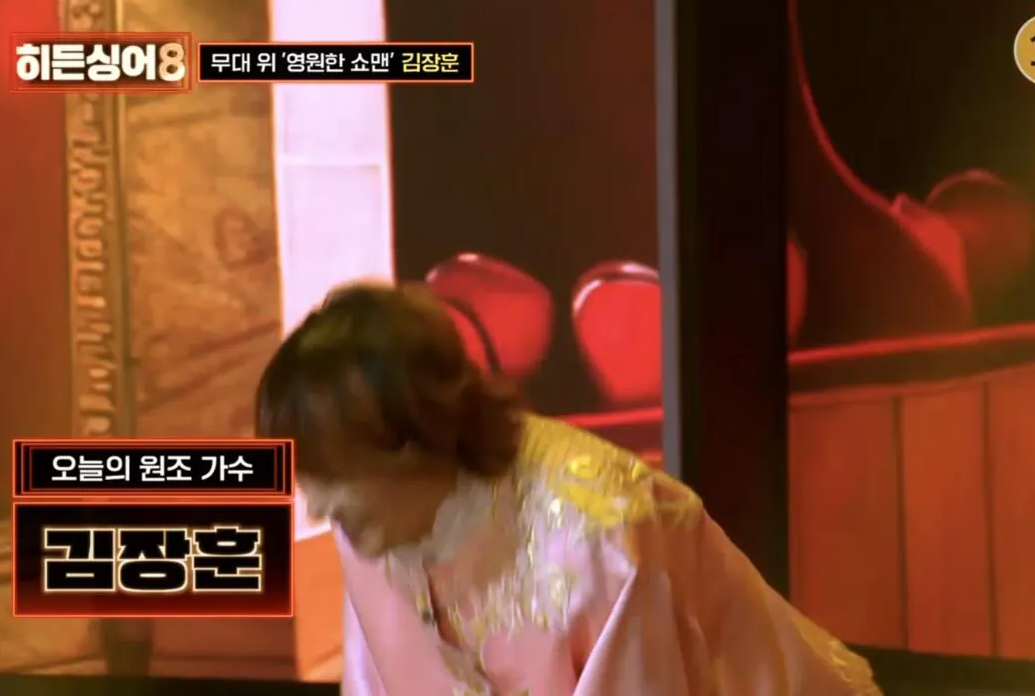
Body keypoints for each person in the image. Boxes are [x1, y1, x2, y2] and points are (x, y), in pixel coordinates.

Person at [255, 280, 882, 696]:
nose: (319, 506)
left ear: (412, 440)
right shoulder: (370, 527)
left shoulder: (599, 528)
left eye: (334, 475)